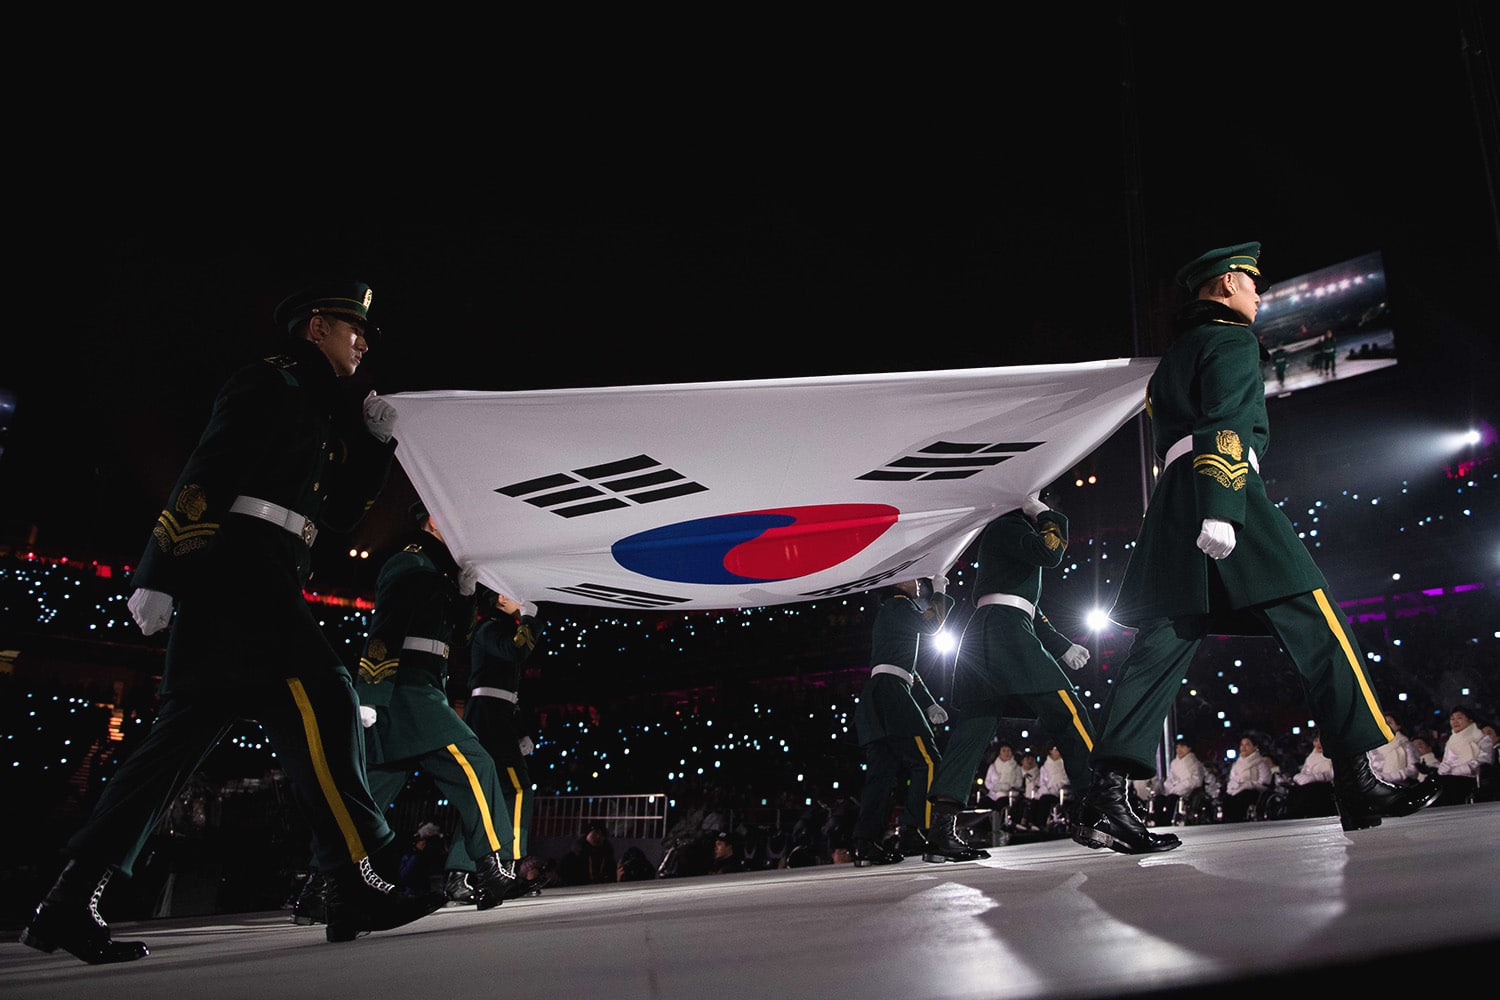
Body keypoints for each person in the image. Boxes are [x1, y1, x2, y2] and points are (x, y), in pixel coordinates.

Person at [20, 281, 446, 964]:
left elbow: (335, 515)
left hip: (264, 581)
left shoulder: (321, 407)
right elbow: (208, 467)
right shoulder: (267, 384)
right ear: (315, 330)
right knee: (331, 694)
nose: (362, 343)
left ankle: (69, 902)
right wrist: (158, 568)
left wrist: (371, 445)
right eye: (353, 329)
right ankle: (354, 881)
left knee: (168, 755)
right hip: (239, 578)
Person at [1071, 242, 1439, 856]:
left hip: (1172, 502)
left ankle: (1103, 797)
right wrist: (1224, 507)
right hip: (1225, 487)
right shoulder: (1232, 339)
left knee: (1159, 648)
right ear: (1223, 285)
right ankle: (1357, 779)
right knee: (1320, 626)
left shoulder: (1170, 361)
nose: (1259, 294)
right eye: (1251, 282)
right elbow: (1226, 422)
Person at [356, 505, 523, 912]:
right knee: (476, 765)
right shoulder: (409, 562)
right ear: (432, 521)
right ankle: (487, 868)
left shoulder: (434, 569)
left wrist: (466, 596)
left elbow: (459, 638)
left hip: (419, 688)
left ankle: (323, 884)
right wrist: (370, 692)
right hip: (407, 690)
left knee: (370, 794)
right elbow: (386, 627)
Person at [923, 495, 1095, 863]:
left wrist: (1061, 645)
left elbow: (1028, 605)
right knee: (1066, 710)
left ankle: (941, 828)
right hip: (1005, 630)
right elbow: (1050, 554)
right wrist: (1049, 516)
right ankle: (1101, 805)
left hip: (992, 629)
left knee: (972, 733)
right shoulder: (1009, 525)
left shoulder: (1005, 533)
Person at [441, 586, 542, 902]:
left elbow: (506, 689)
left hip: (496, 716)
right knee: (517, 789)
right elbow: (516, 652)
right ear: (500, 598)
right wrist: (531, 618)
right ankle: (507, 866)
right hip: (490, 717)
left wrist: (519, 728)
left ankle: (462, 873)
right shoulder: (490, 629)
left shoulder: (494, 629)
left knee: (485, 798)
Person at [850, 576, 955, 866]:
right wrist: (940, 592)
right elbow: (932, 625)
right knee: (929, 761)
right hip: (893, 696)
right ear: (896, 584)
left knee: (881, 775)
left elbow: (903, 668)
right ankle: (913, 829)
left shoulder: (892, 612)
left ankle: (865, 842)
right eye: (910, 578)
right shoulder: (899, 606)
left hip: (880, 696)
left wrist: (928, 701)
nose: (917, 583)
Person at [1434, 707, 1491, 806]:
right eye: (1452, 719)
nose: (1455, 722)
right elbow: (1447, 761)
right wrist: (1443, 768)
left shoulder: (1482, 738)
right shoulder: (1451, 741)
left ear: (1470, 719)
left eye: (1459, 718)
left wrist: (1462, 769)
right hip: (1451, 778)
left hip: (1471, 778)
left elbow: (1486, 759)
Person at [1154, 740, 1207, 825]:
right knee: (1159, 799)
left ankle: (1167, 822)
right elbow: (1170, 778)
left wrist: (1181, 787)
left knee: (1172, 800)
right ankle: (1157, 822)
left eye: (1182, 747)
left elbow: (1197, 781)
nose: (1179, 749)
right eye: (1177, 747)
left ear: (1189, 748)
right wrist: (1170, 787)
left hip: (1187, 792)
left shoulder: (1196, 763)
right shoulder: (1174, 763)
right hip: (1173, 790)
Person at [1020, 746, 1070, 833]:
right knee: (1034, 800)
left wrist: (1054, 788)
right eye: (1055, 750)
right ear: (1050, 751)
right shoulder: (1045, 766)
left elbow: (1066, 780)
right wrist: (1044, 789)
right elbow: (1042, 781)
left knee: (1044, 799)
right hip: (1046, 791)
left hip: (1059, 792)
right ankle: (1031, 822)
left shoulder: (1064, 764)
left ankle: (1041, 823)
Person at [1287, 735, 1337, 818]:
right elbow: (1305, 771)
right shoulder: (1311, 757)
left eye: (1320, 740)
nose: (1318, 743)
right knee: (1296, 789)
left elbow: (1333, 773)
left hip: (1327, 786)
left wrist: (1316, 777)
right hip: (1312, 785)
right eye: (1316, 740)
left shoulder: (1333, 755)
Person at [981, 743, 1025, 831]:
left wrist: (1006, 787)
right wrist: (995, 787)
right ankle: (984, 827)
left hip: (1008, 795)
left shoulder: (1016, 767)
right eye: (1004, 751)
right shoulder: (993, 766)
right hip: (993, 794)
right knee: (984, 802)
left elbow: (1018, 783)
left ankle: (998, 826)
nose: (1006, 753)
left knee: (1001, 803)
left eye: (1008, 751)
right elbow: (987, 782)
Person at [558, 821, 616, 886]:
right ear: (587, 834)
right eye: (595, 832)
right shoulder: (572, 857)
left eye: (602, 834)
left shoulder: (607, 858)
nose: (598, 836)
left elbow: (611, 878)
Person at [1367, 713, 1419, 785]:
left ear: (1398, 726)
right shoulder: (1373, 746)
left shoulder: (1406, 744)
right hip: (1378, 786)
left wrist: (1387, 777)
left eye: (1389, 723)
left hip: (1402, 787)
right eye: (1383, 723)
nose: (1386, 726)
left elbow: (1413, 770)